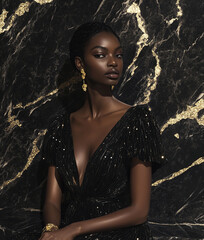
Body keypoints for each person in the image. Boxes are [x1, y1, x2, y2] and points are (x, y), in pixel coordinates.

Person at [39, 22, 165, 240]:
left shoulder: (137, 121)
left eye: (118, 55)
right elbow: (52, 200)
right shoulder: (60, 126)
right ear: (80, 64)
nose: (113, 63)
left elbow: (139, 211)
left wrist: (74, 229)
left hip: (122, 233)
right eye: (101, 55)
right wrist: (51, 230)